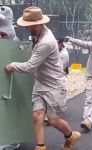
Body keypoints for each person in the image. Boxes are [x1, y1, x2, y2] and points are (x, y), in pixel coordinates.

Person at [4, 7, 81, 150]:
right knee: (37, 116)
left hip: (54, 85)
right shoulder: (39, 34)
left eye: (29, 26)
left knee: (53, 121)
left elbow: (30, 66)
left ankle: (71, 136)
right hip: (41, 83)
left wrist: (12, 65)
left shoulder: (46, 41)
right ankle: (40, 147)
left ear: (38, 24)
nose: (27, 29)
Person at [0, 6, 20, 150]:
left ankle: (12, 139)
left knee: (10, 106)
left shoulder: (10, 33)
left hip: (10, 75)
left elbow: (8, 41)